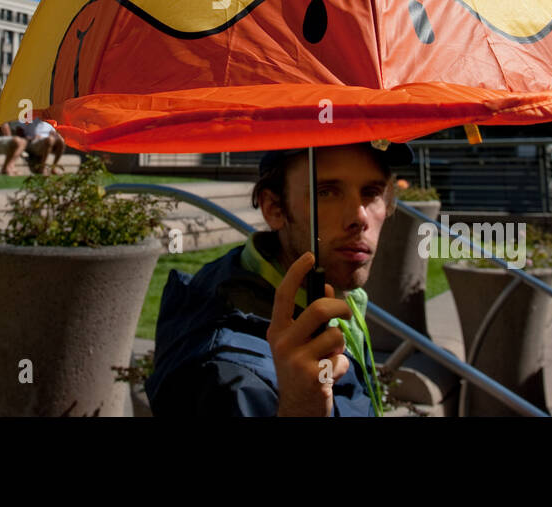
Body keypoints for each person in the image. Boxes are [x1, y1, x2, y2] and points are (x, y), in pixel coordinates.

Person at [145, 140, 413, 416]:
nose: (359, 216)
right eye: (326, 192)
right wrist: (298, 408)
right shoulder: (232, 375)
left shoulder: (329, 292)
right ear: (274, 208)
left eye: (371, 193)